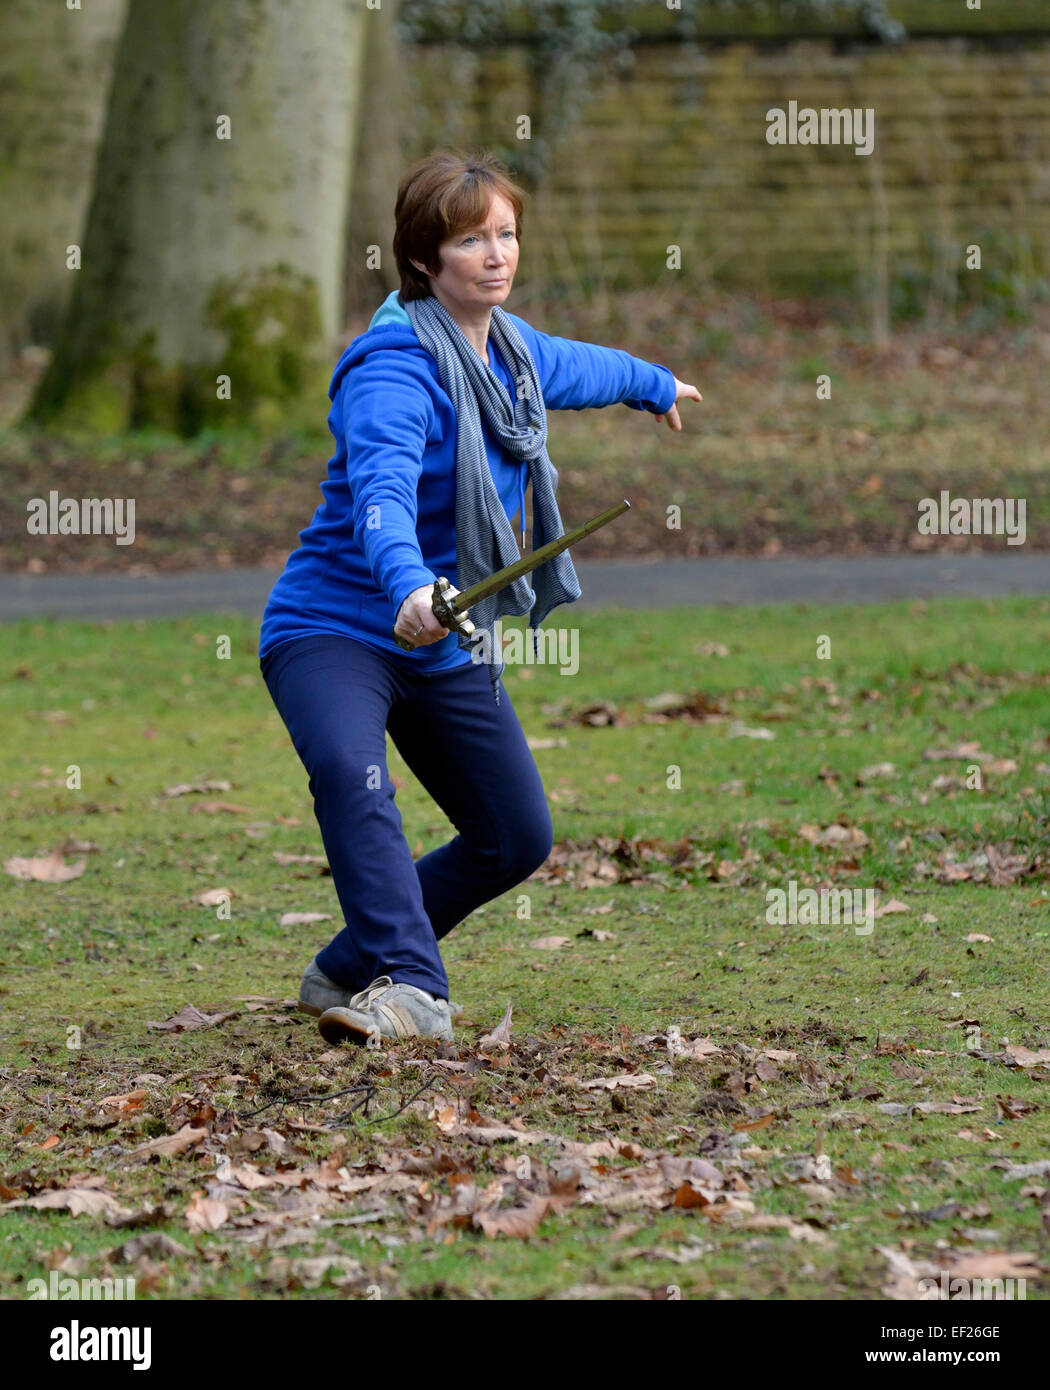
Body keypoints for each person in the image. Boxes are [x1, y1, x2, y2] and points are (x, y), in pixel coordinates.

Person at [258, 149, 702, 1046]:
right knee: (353, 773)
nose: (496, 255)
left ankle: (348, 965)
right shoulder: (391, 369)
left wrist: (654, 386)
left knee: (514, 835)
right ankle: (412, 988)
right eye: (471, 240)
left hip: (443, 631)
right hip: (336, 626)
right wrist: (408, 586)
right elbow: (380, 492)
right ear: (425, 259)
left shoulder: (514, 355)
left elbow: (582, 367)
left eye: (506, 234)